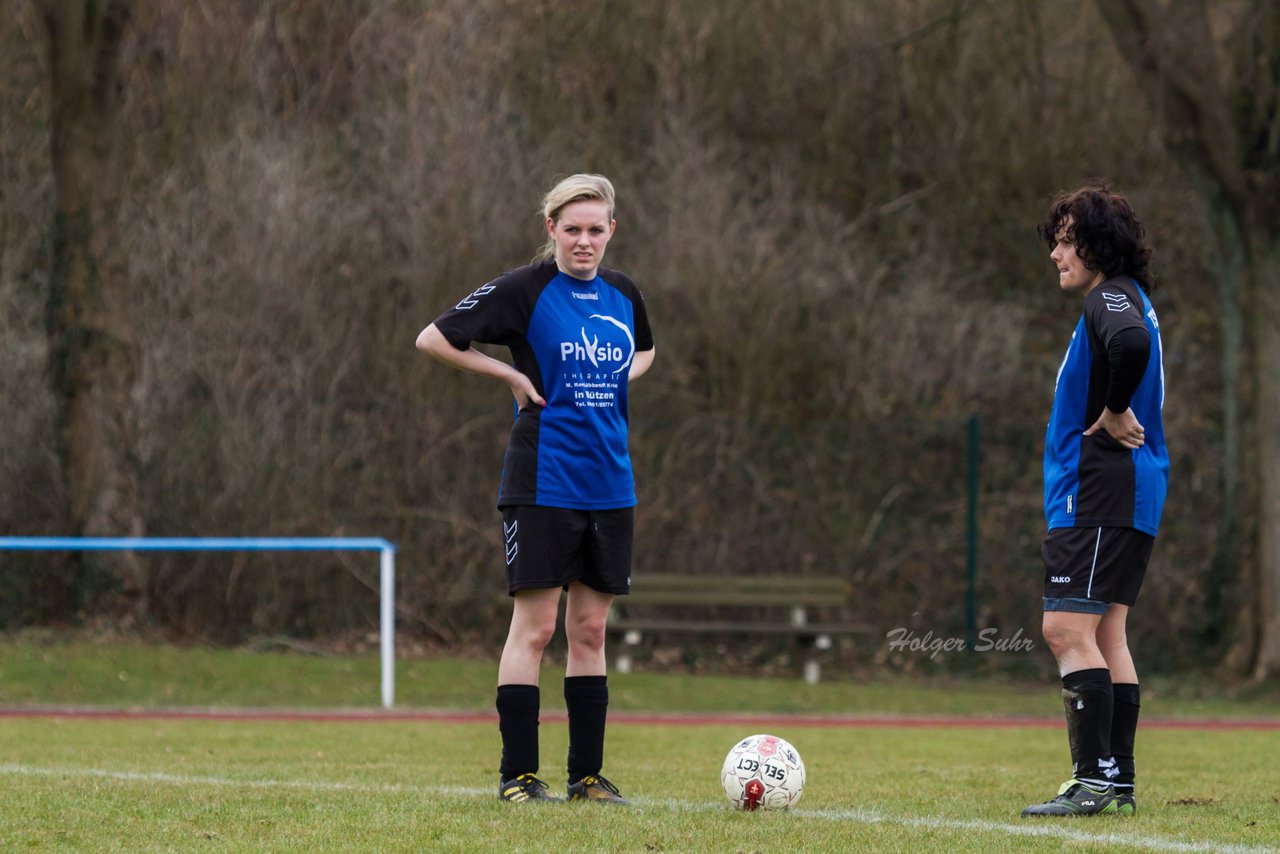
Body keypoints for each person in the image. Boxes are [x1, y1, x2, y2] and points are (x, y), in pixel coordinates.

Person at [416, 174, 655, 804]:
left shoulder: (625, 293)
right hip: (543, 480)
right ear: (550, 229)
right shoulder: (526, 288)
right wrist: (511, 376)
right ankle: (518, 776)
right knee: (536, 628)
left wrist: (612, 387)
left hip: (611, 483)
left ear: (612, 231)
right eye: (571, 229)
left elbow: (647, 352)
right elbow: (435, 337)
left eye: (595, 229)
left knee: (592, 631)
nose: (584, 241)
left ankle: (587, 778)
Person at [1022, 182, 1167, 818]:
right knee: (1109, 633)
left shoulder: (1109, 296)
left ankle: (1093, 780)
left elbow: (1128, 347)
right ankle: (1119, 779)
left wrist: (1110, 411)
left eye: (1066, 240)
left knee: (1064, 628)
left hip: (1099, 491)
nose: (1056, 253)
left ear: (1097, 245)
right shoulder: (1128, 297)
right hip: (1128, 492)